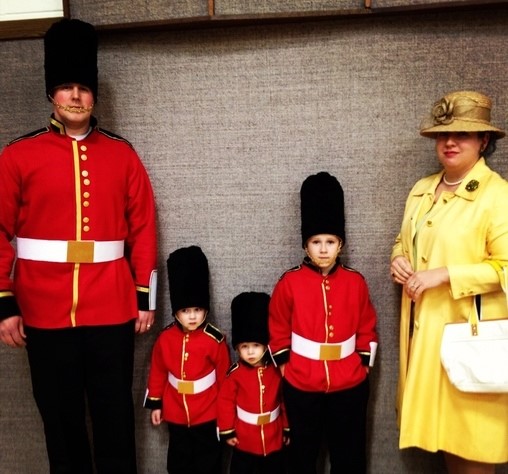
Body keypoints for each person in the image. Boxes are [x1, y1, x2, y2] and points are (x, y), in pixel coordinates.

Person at [0, 18, 157, 474]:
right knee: (61, 423)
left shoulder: (122, 154)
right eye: (66, 86)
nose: (75, 96)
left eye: (83, 88)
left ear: (94, 95)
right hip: (42, 311)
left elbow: (143, 227)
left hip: (111, 307)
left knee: (114, 421)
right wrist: (4, 304)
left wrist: (143, 298)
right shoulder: (17, 156)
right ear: (52, 93)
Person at [390, 90, 508, 473]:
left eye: (463, 134)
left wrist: (446, 274)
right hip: (426, 341)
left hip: (470, 343)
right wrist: (399, 260)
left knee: (472, 455)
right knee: (446, 452)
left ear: (484, 141)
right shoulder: (422, 190)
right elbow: (403, 241)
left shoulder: (498, 196)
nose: (450, 142)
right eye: (443, 135)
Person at [269, 171, 378, 474]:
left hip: (349, 382)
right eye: (316, 241)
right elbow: (278, 325)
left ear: (340, 244)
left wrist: (363, 362)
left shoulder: (356, 282)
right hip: (302, 381)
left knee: (349, 454)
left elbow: (367, 324)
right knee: (303, 455)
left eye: (330, 241)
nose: (323, 249)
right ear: (306, 246)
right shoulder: (289, 282)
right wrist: (285, 366)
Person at [144, 245, 231, 474]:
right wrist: (156, 403)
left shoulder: (216, 340)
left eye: (197, 309)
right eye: (184, 311)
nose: (192, 316)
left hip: (208, 412)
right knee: (178, 463)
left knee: (209, 463)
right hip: (176, 412)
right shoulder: (165, 339)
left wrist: (226, 413)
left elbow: (224, 379)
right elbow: (159, 372)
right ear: (175, 311)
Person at [218, 291, 290, 474]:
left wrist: (286, 427)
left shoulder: (276, 371)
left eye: (256, 346)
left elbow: (284, 401)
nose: (250, 352)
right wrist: (227, 430)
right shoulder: (234, 374)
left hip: (274, 438)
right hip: (245, 440)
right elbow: (225, 402)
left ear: (266, 346)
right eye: (244, 347)